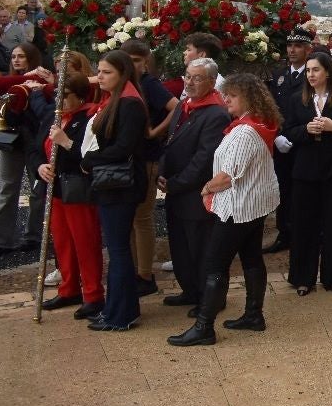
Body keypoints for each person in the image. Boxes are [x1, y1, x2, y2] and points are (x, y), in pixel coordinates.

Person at [168, 74, 282, 346]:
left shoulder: (244, 132)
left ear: (249, 99)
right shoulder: (257, 124)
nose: (226, 99)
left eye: (232, 95)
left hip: (238, 208)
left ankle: (204, 326)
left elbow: (227, 176)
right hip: (253, 205)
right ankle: (253, 315)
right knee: (252, 258)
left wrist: (205, 188)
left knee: (214, 265)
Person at [80, 50, 149, 331]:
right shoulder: (115, 100)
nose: (100, 77)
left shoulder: (130, 104)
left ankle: (120, 314)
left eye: (107, 72)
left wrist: (89, 161)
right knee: (118, 248)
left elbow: (124, 148)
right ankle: (119, 308)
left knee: (119, 250)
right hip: (113, 183)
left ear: (122, 74)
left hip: (121, 185)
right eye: (99, 71)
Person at [280, 51, 332, 296]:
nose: (311, 75)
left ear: (327, 72)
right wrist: (306, 130)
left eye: (316, 70)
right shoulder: (296, 99)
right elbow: (288, 131)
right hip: (304, 171)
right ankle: (303, 277)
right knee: (304, 225)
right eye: (309, 70)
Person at [158, 58, 230, 310]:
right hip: (176, 190)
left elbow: (203, 159)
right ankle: (190, 290)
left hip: (196, 193)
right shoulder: (184, 105)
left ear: (211, 82)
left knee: (202, 250)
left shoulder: (216, 113)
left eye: (197, 78)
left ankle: (208, 299)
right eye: (187, 76)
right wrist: (162, 172)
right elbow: (170, 140)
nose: (189, 82)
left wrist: (176, 183)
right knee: (181, 248)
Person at [36, 72, 104, 319]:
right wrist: (39, 167)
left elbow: (89, 156)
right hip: (54, 189)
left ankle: (94, 294)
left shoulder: (88, 118)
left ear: (79, 96)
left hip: (78, 189)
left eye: (65, 96)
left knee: (85, 242)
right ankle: (69, 288)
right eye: (57, 94)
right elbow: (36, 148)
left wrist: (66, 143)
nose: (59, 100)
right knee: (63, 242)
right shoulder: (53, 117)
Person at [0, 43, 52, 259]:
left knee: (37, 189)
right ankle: (2, 240)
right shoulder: (9, 82)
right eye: (13, 56)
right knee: (7, 188)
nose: (16, 60)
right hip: (12, 140)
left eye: (21, 56)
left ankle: (34, 235)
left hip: (34, 141)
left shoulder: (42, 81)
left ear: (31, 58)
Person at [124, 39, 177, 297]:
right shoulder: (130, 84)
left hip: (148, 158)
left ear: (146, 61)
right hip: (134, 159)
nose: (134, 65)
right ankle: (136, 270)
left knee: (142, 218)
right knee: (133, 219)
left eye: (137, 60)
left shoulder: (150, 84)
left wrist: (155, 131)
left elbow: (176, 107)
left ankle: (145, 273)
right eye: (129, 60)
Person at [264, 27, 313, 254]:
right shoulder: (279, 74)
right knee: (283, 190)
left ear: (307, 49)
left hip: (303, 142)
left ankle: (307, 234)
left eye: (298, 46)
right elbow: (270, 108)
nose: (292, 50)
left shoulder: (312, 74)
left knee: (303, 192)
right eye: (290, 45)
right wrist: (275, 135)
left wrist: (295, 135)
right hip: (281, 141)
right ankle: (284, 233)